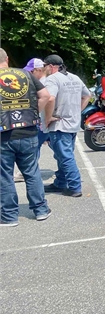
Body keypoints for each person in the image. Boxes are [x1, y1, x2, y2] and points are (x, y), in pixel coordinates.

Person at [0, 48, 52, 226]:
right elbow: (45, 96)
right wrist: (33, 113)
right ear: (7, 58)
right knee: (31, 172)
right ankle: (41, 210)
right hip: (28, 130)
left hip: (3, 134)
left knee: (4, 176)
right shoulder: (25, 75)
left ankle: (9, 217)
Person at [42, 55, 91, 198]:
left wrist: (48, 117)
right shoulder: (74, 77)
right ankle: (60, 182)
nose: (44, 69)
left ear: (51, 66)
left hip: (59, 124)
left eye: (45, 66)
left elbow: (50, 98)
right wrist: (78, 111)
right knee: (62, 155)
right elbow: (87, 95)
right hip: (73, 123)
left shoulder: (52, 79)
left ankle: (75, 186)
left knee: (65, 156)